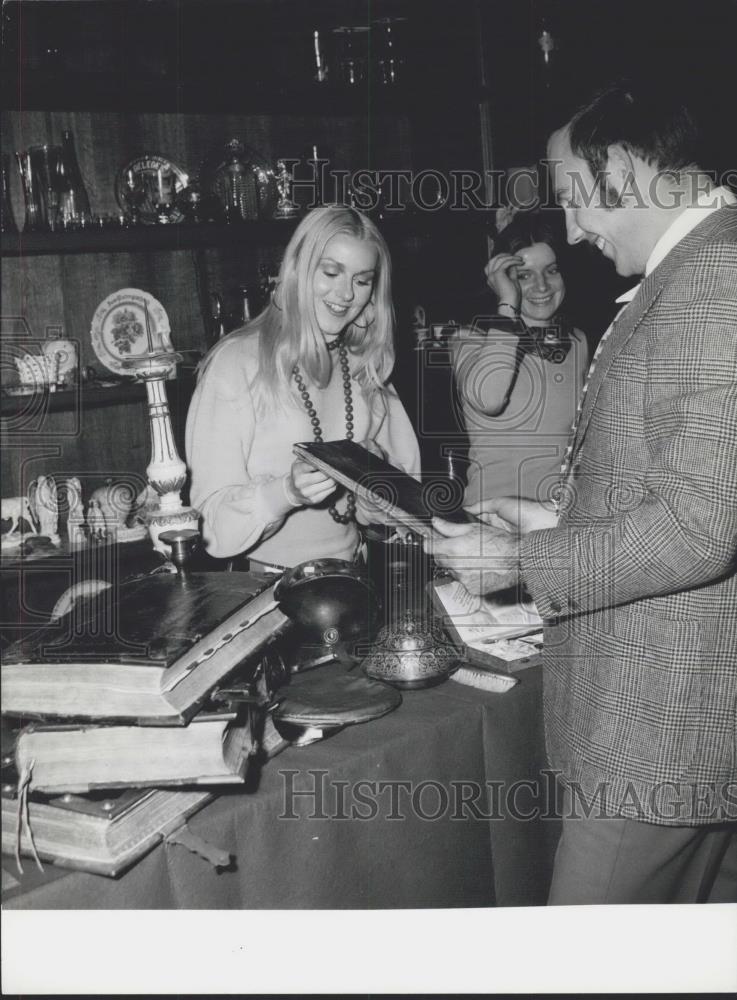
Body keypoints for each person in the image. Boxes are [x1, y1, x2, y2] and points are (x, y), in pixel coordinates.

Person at [430, 81, 737, 904]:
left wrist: (523, 558)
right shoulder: (699, 267)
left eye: (573, 199)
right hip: (681, 716)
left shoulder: (715, 281)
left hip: (658, 727)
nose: (571, 230)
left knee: (588, 966)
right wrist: (563, 514)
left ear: (627, 168)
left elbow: (700, 528)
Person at [186, 204, 420, 570]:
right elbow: (211, 530)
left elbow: (406, 503)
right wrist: (287, 492)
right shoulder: (237, 363)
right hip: (265, 593)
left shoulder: (363, 364)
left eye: (362, 280)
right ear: (297, 270)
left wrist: (377, 503)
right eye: (331, 272)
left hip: (355, 581)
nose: (345, 295)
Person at [451, 210, 588, 505]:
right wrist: (507, 304)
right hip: (490, 524)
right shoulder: (469, 339)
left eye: (551, 270)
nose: (541, 286)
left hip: (555, 524)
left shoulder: (577, 341)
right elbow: (490, 399)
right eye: (524, 275)